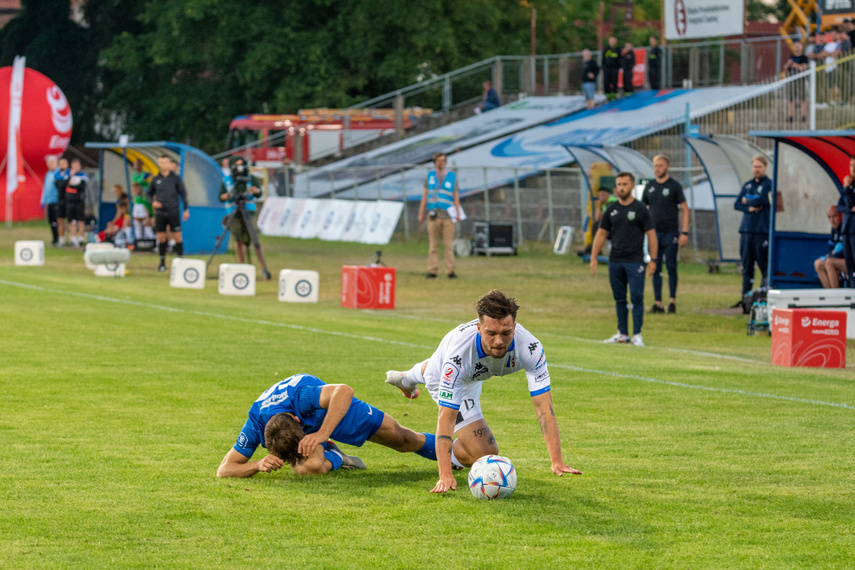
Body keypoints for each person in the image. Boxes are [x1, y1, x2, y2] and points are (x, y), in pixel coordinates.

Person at [384, 289, 582, 494]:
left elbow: (544, 408)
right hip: (451, 374)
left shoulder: (530, 348)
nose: (499, 341)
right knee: (485, 454)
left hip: (475, 375)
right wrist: (445, 475)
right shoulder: (458, 357)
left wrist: (556, 460)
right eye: (491, 333)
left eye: (506, 333)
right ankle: (415, 381)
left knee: (482, 450)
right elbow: (446, 417)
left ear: (514, 326)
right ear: (479, 328)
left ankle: (409, 377)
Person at [216, 373, 437, 478]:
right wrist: (257, 464)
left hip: (331, 411)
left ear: (296, 420)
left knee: (404, 440)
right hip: (310, 428)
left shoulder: (301, 397)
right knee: (307, 468)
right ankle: (336, 455)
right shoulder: (255, 423)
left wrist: (321, 433)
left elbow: (344, 391)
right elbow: (224, 469)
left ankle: (457, 454)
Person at [591, 172, 658, 346]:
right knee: (619, 298)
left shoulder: (641, 209)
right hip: (615, 260)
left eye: (625, 184)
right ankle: (622, 334)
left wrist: (653, 259)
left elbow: (651, 234)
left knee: (636, 297)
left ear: (632, 186)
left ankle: (637, 334)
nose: (621, 188)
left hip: (635, 261)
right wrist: (594, 256)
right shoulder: (611, 209)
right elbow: (601, 233)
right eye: (619, 184)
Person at [642, 155, 690, 314]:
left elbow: (685, 209)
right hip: (654, 234)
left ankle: (672, 302)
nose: (658, 168)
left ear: (667, 167)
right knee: (654, 267)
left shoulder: (674, 186)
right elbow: (642, 209)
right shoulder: (649, 186)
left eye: (661, 165)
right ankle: (658, 303)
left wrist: (684, 232)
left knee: (671, 267)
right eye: (655, 166)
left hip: (670, 233)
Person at [219, 156, 270, 274]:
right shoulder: (227, 180)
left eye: (242, 164)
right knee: (238, 239)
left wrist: (255, 190)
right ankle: (242, 267)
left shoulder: (250, 178)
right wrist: (228, 195)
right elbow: (220, 196)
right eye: (237, 165)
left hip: (249, 212)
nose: (240, 168)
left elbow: (258, 193)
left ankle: (264, 268)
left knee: (255, 239)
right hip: (234, 212)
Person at [734, 155, 772, 297]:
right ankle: (745, 298)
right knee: (747, 266)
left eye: (759, 167)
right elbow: (737, 203)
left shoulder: (769, 184)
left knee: (764, 266)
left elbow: (762, 200)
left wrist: (747, 199)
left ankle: (764, 296)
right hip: (746, 230)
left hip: (761, 231)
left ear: (765, 167)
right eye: (755, 167)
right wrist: (749, 206)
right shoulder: (748, 184)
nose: (757, 170)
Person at [419, 152, 461, 279]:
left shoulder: (451, 176)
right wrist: (421, 213)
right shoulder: (430, 176)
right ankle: (432, 270)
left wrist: (458, 213)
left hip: (447, 216)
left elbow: (456, 196)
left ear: (446, 162)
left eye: (443, 160)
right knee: (433, 246)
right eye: (438, 160)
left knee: (448, 245)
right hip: (433, 215)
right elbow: (425, 195)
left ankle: (450, 271)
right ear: (435, 162)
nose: (441, 163)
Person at [147, 155, 189, 272]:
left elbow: (183, 194)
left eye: (166, 162)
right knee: (161, 237)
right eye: (161, 162)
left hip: (173, 211)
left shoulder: (175, 179)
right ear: (159, 164)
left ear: (169, 164)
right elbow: (148, 194)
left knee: (177, 236)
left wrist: (186, 209)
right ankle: (162, 263)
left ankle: (181, 261)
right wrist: (153, 202)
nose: (164, 165)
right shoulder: (156, 179)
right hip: (160, 212)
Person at [815, 205, 846, 288]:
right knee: (818, 264)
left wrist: (832, 255)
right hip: (837, 259)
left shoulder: (846, 227)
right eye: (829, 217)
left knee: (829, 262)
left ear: (841, 215)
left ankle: (836, 297)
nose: (832, 220)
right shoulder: (834, 230)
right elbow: (831, 248)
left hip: (849, 262)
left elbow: (845, 251)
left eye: (834, 216)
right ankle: (829, 295)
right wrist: (830, 254)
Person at [838, 155, 855, 287]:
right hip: (846, 229)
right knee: (849, 264)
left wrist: (846, 187)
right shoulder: (849, 185)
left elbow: (849, 203)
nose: (853, 169)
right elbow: (839, 206)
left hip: (854, 230)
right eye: (851, 165)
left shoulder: (848, 186)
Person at [65, 158, 88, 247]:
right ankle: (73, 238)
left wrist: (71, 185)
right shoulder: (68, 174)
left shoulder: (83, 175)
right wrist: (71, 176)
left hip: (79, 201)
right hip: (70, 201)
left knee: (80, 220)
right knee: (72, 221)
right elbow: (64, 184)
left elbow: (81, 186)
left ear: (80, 166)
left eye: (76, 166)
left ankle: (81, 238)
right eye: (73, 165)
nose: (74, 167)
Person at [783, 42, 809, 123]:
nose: (797, 47)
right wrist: (788, 64)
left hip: (800, 79)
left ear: (802, 47)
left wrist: (794, 65)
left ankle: (803, 116)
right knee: (790, 98)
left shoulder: (804, 57)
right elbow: (785, 68)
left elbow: (804, 67)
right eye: (795, 45)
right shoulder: (792, 57)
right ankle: (790, 116)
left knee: (802, 98)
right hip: (791, 79)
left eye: (798, 45)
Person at [40, 155, 60, 245]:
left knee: (57, 221)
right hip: (49, 201)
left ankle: (59, 239)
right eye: (48, 163)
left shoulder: (58, 173)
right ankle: (54, 239)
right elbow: (45, 188)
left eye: (51, 163)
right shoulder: (48, 174)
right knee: (51, 221)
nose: (50, 165)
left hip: (57, 201)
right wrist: (43, 201)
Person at [54, 157, 70, 247]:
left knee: (72, 221)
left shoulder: (70, 174)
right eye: (60, 163)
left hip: (69, 200)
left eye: (64, 163)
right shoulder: (57, 174)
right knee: (60, 220)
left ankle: (74, 239)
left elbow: (64, 184)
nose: (62, 165)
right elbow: (60, 185)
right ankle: (61, 239)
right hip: (60, 200)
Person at [602, 36, 621, 101]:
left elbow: (620, 59)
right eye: (611, 41)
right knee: (606, 82)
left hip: (615, 69)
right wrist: (604, 67)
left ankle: (614, 95)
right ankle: (607, 95)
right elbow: (603, 59)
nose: (613, 42)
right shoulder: (606, 49)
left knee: (614, 81)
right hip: (607, 68)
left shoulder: (617, 49)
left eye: (614, 41)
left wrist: (618, 67)